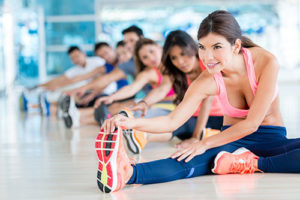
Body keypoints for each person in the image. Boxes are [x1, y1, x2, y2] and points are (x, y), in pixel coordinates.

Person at [96, 10, 300, 193]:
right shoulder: (208, 79)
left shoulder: (266, 61)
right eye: (202, 47)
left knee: (200, 149)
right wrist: (130, 123)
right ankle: (126, 173)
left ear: (236, 45)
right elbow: (172, 121)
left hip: (273, 139)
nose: (207, 57)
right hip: (231, 141)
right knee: (187, 159)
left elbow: (252, 123)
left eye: (217, 47)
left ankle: (254, 164)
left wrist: (203, 143)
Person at [67, 25, 144, 106]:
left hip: (132, 96)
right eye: (126, 42)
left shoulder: (129, 61)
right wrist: (87, 91)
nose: (128, 45)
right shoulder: (121, 65)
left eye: (132, 40)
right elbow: (106, 80)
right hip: (127, 94)